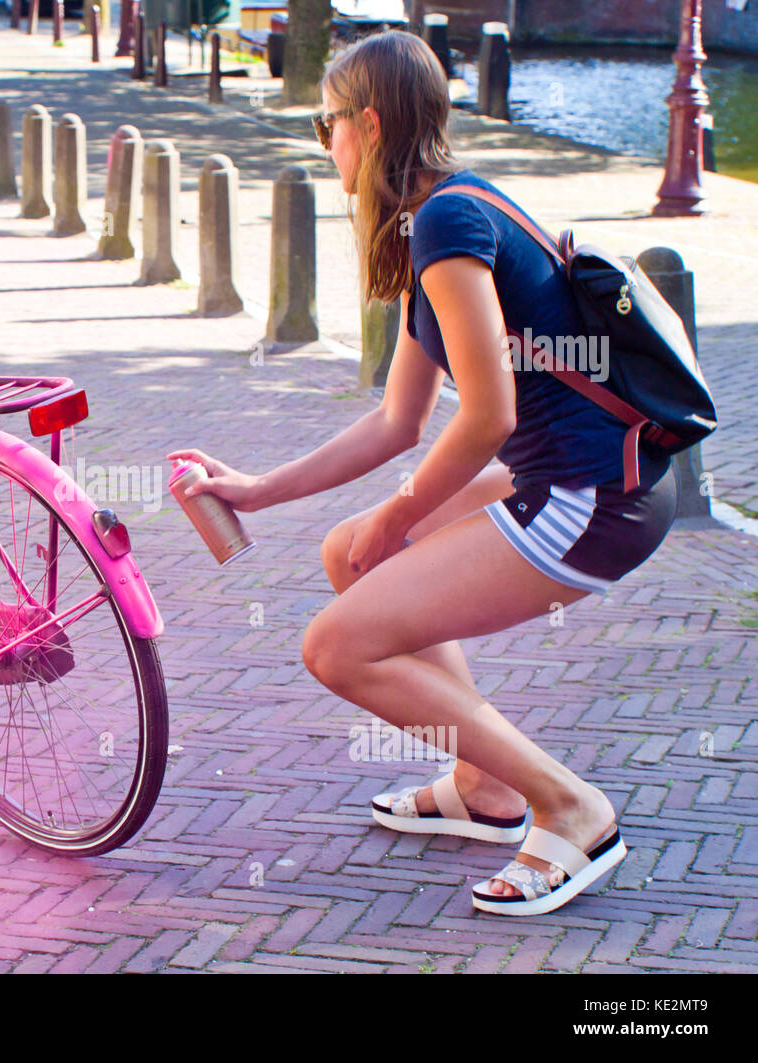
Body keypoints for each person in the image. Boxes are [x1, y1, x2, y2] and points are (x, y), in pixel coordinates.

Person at [167, 30, 678, 916]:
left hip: (595, 495)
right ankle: (483, 785)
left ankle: (572, 809)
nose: (323, 142)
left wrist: (399, 511)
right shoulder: (431, 224)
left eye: (326, 123)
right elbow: (397, 421)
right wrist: (255, 488)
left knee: (333, 644)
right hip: (574, 481)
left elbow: (488, 417)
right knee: (353, 556)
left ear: (367, 123)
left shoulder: (446, 220)